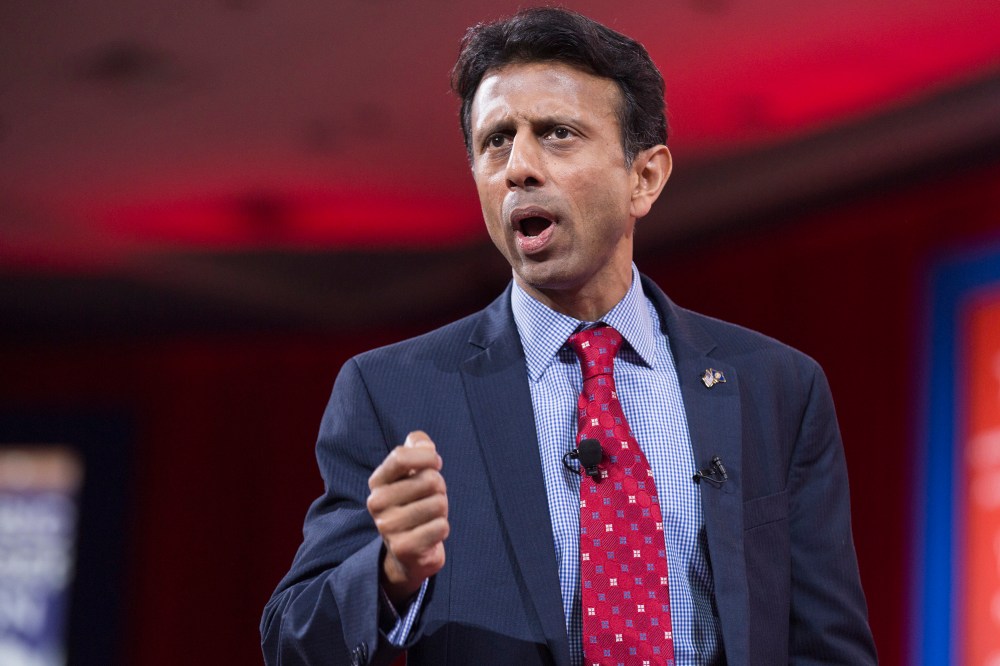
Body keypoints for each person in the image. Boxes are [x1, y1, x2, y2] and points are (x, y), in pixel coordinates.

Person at [261, 7, 877, 665]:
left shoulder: (775, 387)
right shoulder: (396, 390)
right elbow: (292, 642)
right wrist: (389, 573)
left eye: (556, 133)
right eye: (496, 141)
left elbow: (827, 646)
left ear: (644, 178)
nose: (519, 167)